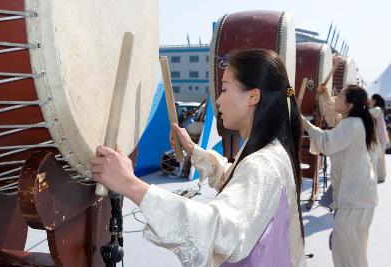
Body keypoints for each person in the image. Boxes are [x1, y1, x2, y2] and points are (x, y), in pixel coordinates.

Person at [91, 48, 306, 266]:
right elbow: (235, 179)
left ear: (253, 96)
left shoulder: (262, 165)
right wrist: (193, 150)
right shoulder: (272, 152)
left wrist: (130, 184)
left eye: (224, 89)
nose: (218, 100)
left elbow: (217, 230)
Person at [302, 84, 378, 267]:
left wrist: (302, 122)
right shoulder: (354, 122)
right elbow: (331, 116)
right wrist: (325, 95)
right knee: (352, 252)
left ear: (350, 105)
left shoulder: (351, 124)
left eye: (340, 96)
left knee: (347, 255)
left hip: (355, 200)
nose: (336, 98)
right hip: (360, 198)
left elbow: (326, 142)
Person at [369, 93, 389, 182]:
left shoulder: (377, 109)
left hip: (379, 137)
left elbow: (368, 113)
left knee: (379, 158)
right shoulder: (379, 109)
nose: (369, 101)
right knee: (380, 157)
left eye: (371, 99)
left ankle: (380, 176)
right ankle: (381, 176)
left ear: (375, 101)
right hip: (381, 137)